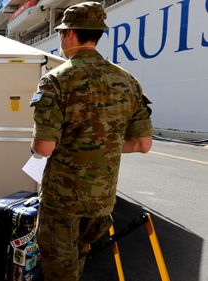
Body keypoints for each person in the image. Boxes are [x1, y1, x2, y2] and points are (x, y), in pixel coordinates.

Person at [29, 2, 153, 281]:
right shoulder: (127, 81)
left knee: (60, 271)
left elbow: (44, 147)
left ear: (69, 34)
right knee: (80, 258)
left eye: (61, 33)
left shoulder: (56, 81)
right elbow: (143, 144)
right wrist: (102, 144)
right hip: (101, 202)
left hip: (62, 203)